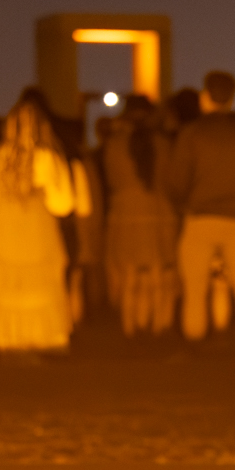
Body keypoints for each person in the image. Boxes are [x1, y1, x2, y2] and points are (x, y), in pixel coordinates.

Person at [164, 70, 235, 341]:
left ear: (206, 97)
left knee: (195, 285)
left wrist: (181, 204)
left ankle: (195, 337)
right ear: (232, 98)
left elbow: (176, 179)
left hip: (199, 216)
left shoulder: (192, 133)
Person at [0, 92, 74, 352]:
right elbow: (63, 206)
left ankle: (6, 338)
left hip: (5, 232)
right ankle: (42, 340)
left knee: (5, 290)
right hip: (39, 233)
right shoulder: (50, 158)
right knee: (42, 289)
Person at [100, 93, 178, 337]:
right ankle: (158, 325)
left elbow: (110, 180)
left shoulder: (113, 144)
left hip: (124, 214)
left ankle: (131, 327)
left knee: (129, 274)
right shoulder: (164, 144)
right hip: (160, 213)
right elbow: (172, 180)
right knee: (159, 272)